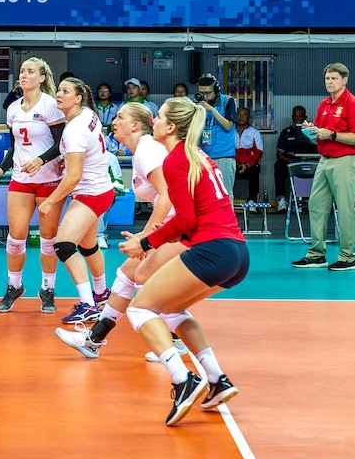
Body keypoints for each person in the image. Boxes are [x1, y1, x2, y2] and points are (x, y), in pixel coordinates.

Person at [114, 97, 247, 426]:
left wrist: (145, 242)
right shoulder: (199, 156)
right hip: (237, 253)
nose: (153, 121)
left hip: (212, 249)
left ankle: (182, 380)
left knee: (140, 308)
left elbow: (185, 219)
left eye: (158, 117)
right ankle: (217, 379)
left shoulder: (176, 160)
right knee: (171, 310)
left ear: (171, 127)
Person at [55, 102, 189, 359]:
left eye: (120, 117)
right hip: (172, 225)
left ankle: (174, 342)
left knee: (138, 278)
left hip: (179, 226)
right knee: (131, 276)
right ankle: (94, 339)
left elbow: (167, 195)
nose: (114, 121)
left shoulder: (147, 150)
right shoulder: (144, 150)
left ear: (135, 125)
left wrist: (146, 239)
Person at [0, 57, 65, 314]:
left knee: (48, 240)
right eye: (22, 71)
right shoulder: (13, 109)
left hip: (49, 180)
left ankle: (47, 289)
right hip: (21, 180)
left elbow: (62, 144)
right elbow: (14, 146)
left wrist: (41, 160)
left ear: (41, 78)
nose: (24, 75)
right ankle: (14, 285)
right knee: (16, 238)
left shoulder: (51, 105)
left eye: (30, 71)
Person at [36, 77, 114, 324]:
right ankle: (101, 293)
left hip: (90, 192)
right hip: (100, 189)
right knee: (88, 246)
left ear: (78, 98)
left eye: (66, 91)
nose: (59, 94)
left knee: (64, 245)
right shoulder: (88, 115)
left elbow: (74, 176)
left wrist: (50, 202)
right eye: (59, 90)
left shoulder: (74, 128)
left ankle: (89, 305)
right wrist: (66, 158)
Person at [292, 62, 355, 271]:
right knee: (316, 205)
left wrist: (331, 134)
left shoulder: (353, 104)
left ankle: (348, 257)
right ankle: (317, 254)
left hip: (346, 160)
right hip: (325, 159)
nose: (329, 82)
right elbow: (319, 138)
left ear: (344, 80)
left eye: (334, 78)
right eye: (327, 78)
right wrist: (312, 131)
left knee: (344, 209)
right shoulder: (324, 104)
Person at [194, 73, 238, 189]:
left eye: (208, 93)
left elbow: (228, 125)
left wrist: (211, 110)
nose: (205, 97)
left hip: (224, 156)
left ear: (216, 90)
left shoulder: (227, 101)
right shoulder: (198, 105)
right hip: (203, 156)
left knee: (225, 193)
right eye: (201, 93)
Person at [274, 105, 315, 211]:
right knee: (278, 166)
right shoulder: (286, 132)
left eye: (300, 117)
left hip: (308, 162)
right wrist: (290, 161)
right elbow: (279, 154)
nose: (297, 119)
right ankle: (281, 200)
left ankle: (312, 201)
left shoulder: (311, 131)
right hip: (289, 162)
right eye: (295, 117)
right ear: (292, 117)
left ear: (305, 117)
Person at [234, 106, 263, 206]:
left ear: (249, 117)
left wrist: (246, 165)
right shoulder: (229, 132)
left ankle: (252, 200)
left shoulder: (254, 133)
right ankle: (226, 200)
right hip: (233, 164)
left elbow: (258, 152)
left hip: (249, 166)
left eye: (244, 115)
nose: (241, 117)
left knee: (255, 169)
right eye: (238, 114)